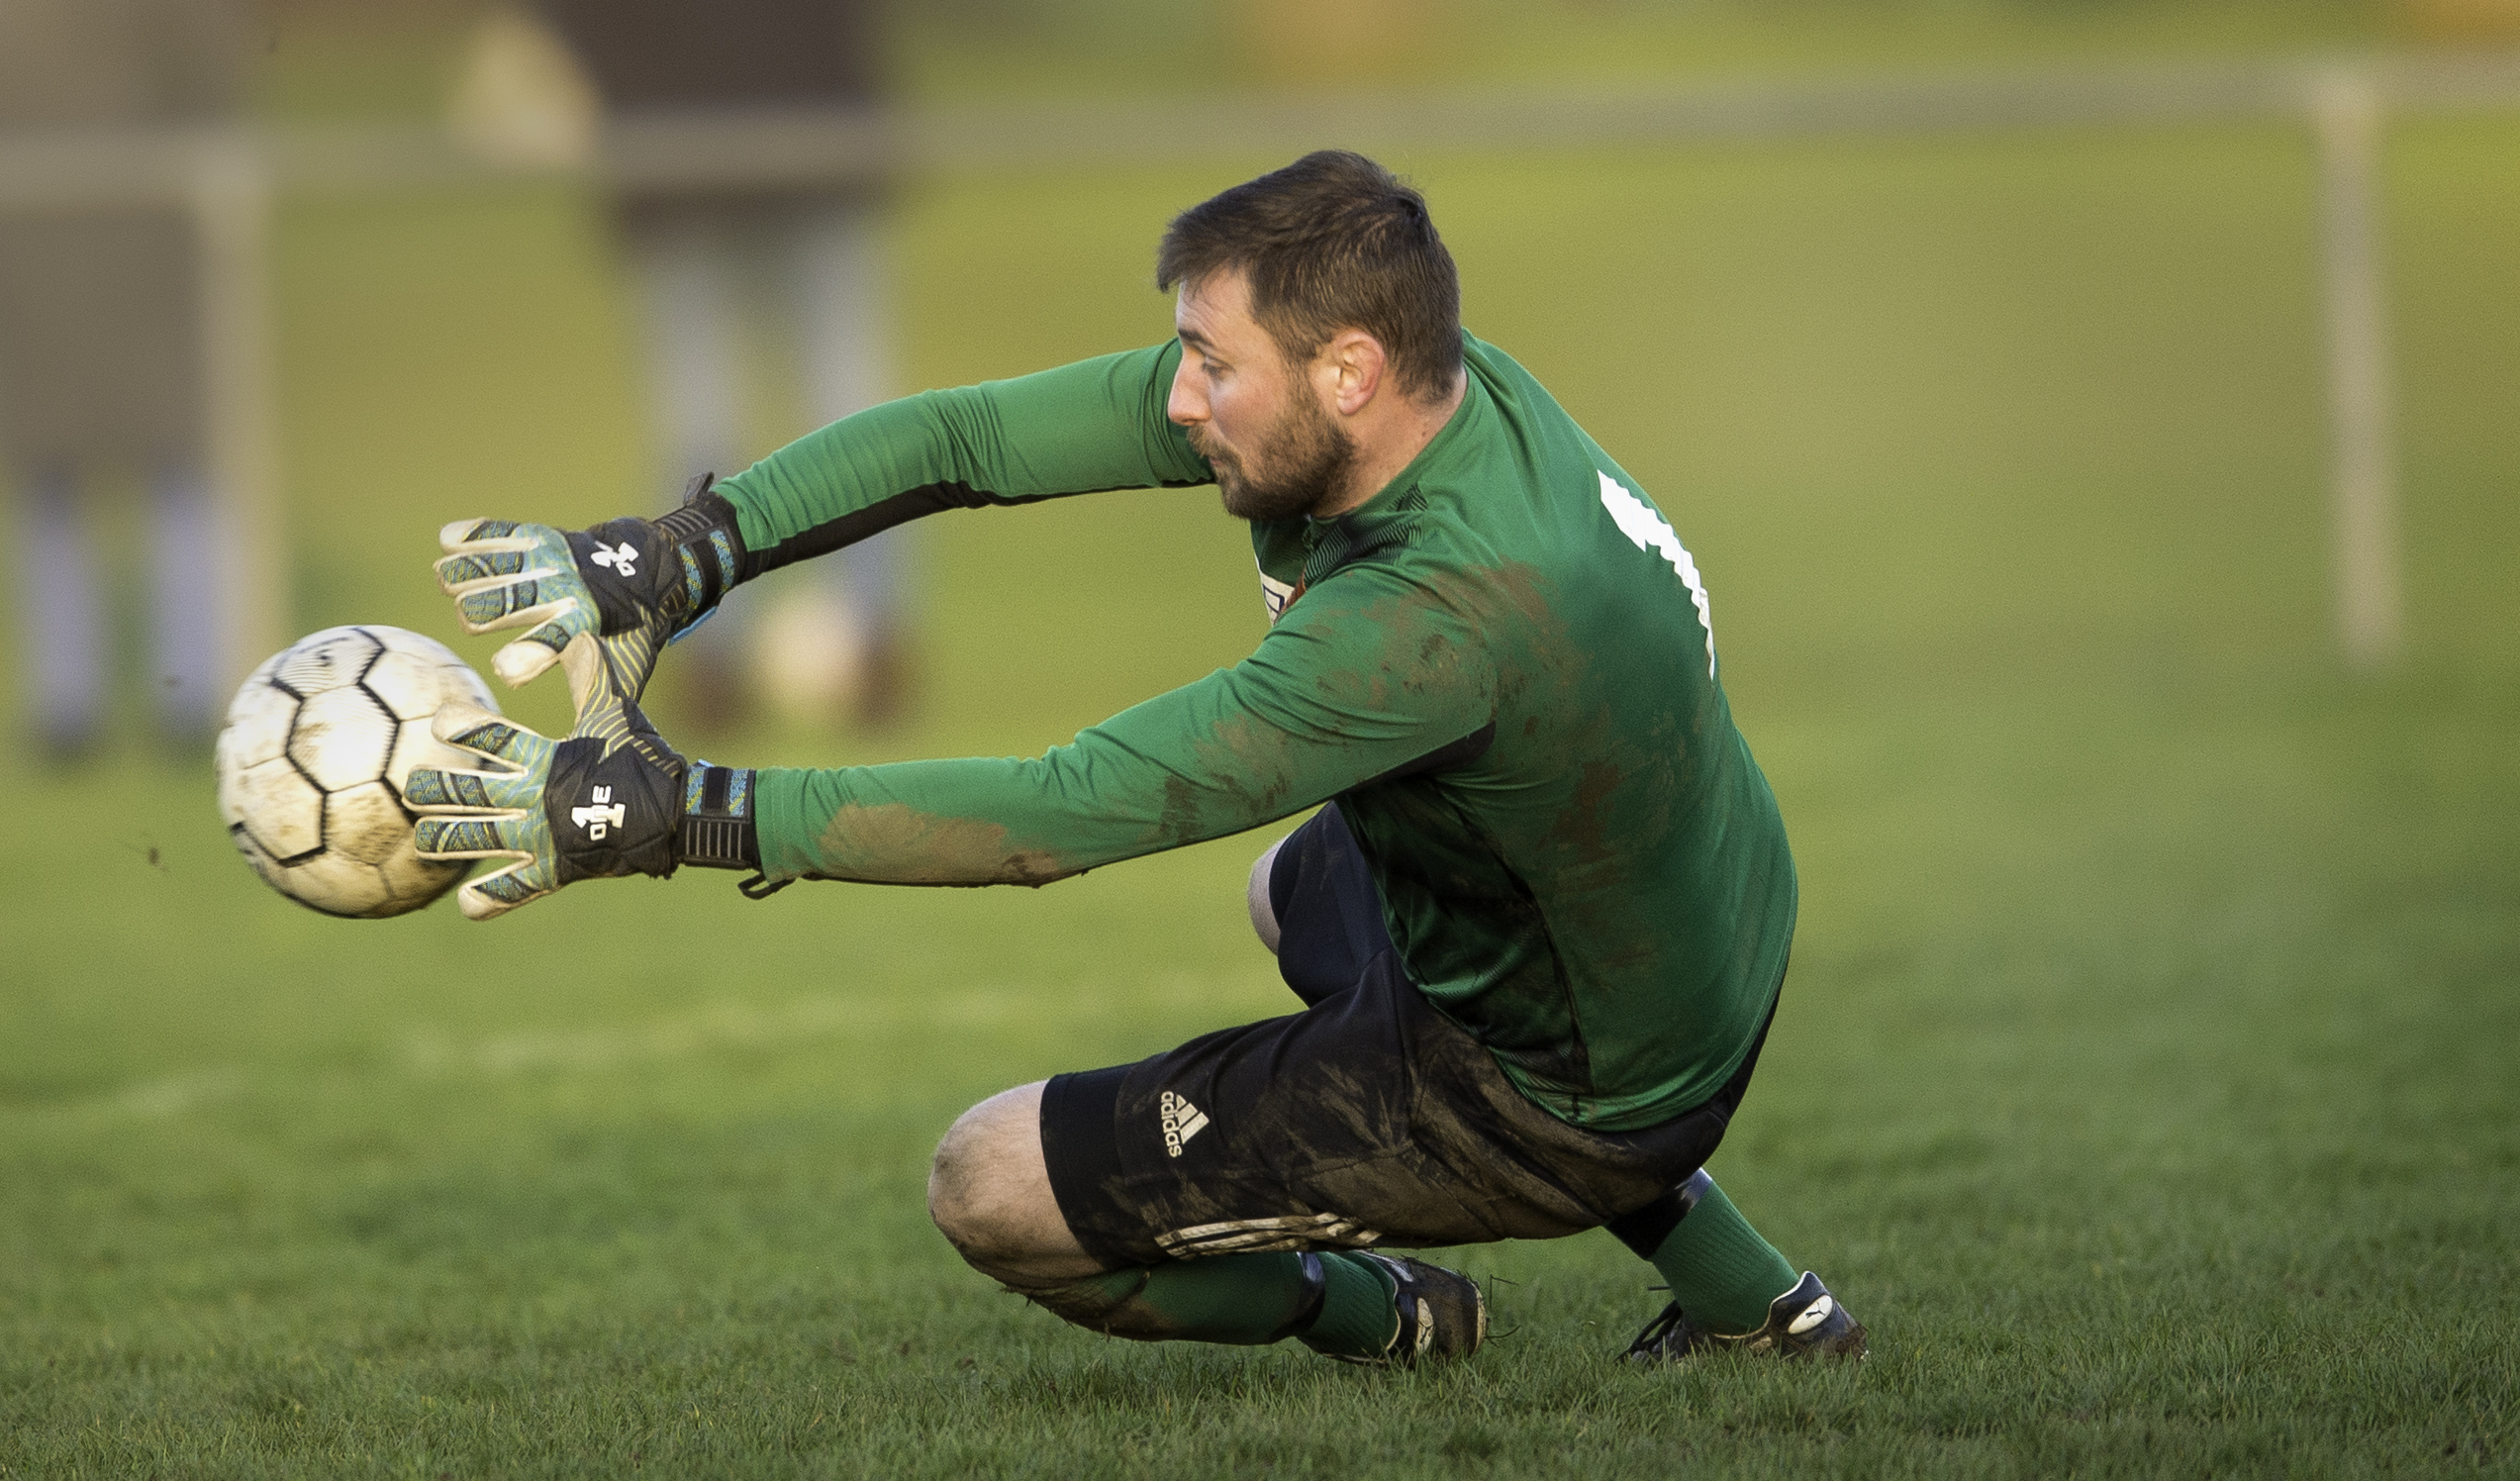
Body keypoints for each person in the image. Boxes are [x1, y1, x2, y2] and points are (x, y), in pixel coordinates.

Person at [409, 151, 1865, 1367]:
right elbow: (973, 436)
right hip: (1703, 917)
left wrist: (678, 815)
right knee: (1287, 895)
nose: (1177, 398)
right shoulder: (1441, 394)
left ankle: (1382, 1314)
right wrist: (680, 552)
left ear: (1347, 369)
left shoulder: (1432, 621)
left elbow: (1058, 813)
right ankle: (1763, 1306)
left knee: (988, 1182)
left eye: (1212, 365)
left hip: (1564, 1084)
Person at [527, 0, 909, 727]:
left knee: (846, 409)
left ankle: (867, 638)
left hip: (806, 128)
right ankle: (718, 652)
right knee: (705, 424)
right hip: (679, 146)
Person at [0, 0, 251, 755]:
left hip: (122, 235)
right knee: (77, 470)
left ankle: (135, 699)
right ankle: (101, 702)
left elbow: (207, 77)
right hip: (51, 234)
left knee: (153, 464)